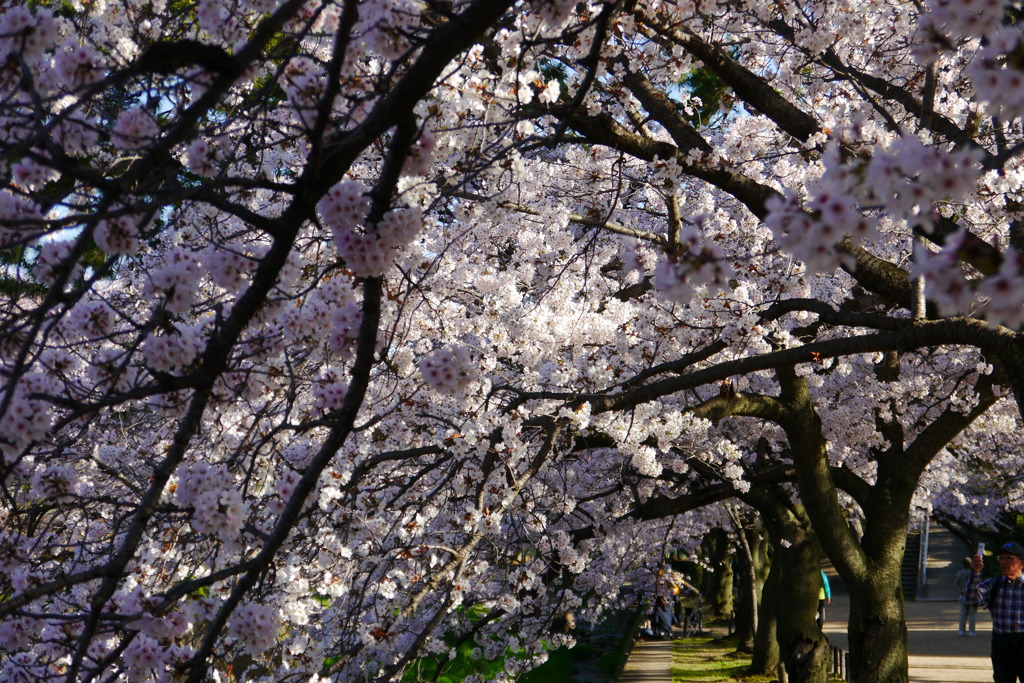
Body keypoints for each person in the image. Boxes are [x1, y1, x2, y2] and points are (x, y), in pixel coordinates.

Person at [966, 541, 1024, 683]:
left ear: (1021, 563)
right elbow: (972, 599)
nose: (1004, 562)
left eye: (1009, 558)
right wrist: (975, 573)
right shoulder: (994, 583)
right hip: (1001, 644)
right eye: (1001, 558)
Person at [954, 556, 979, 636]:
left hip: (963, 595)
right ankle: (971, 631)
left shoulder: (959, 573)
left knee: (963, 614)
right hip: (973, 595)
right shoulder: (974, 573)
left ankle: (961, 631)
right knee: (972, 615)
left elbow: (956, 584)